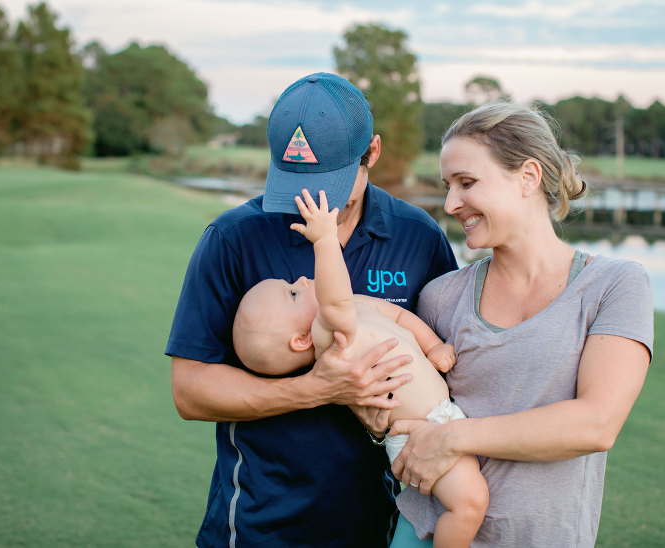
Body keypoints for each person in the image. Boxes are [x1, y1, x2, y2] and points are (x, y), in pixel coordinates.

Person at [165, 72, 458, 547]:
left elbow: (455, 366)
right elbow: (190, 392)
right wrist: (316, 389)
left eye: (330, 183)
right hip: (259, 526)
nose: (313, 201)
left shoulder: (418, 236)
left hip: (379, 525)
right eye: (298, 183)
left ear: (372, 153)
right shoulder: (233, 238)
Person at [388, 102, 654, 547]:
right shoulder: (440, 297)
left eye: (467, 183)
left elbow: (596, 423)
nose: (451, 204)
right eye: (448, 187)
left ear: (528, 176)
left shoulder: (614, 285)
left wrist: (452, 438)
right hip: (426, 535)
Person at [232, 188, 488, 547]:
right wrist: (324, 240)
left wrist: (433, 346)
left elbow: (399, 316)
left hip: (441, 418)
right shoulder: (331, 337)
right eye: (292, 293)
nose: (301, 280)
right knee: (469, 504)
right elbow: (333, 299)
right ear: (301, 340)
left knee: (470, 497)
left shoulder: (354, 305)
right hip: (418, 435)